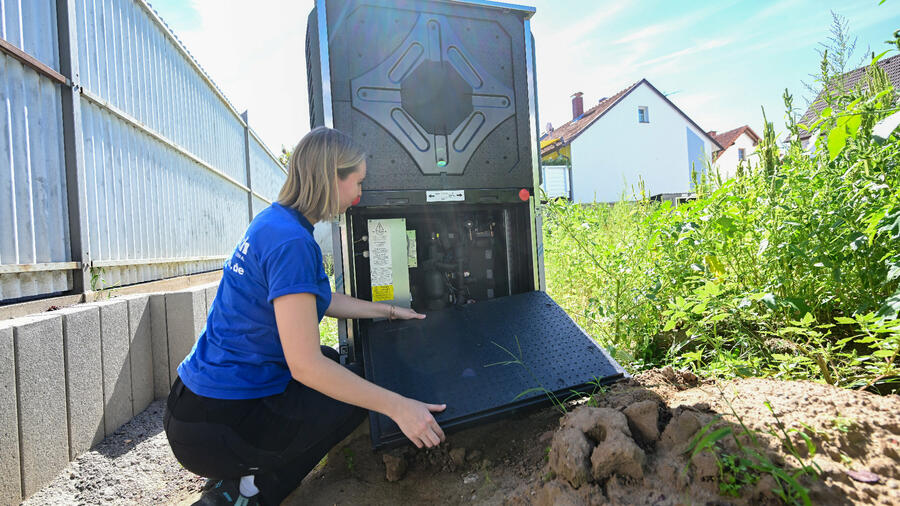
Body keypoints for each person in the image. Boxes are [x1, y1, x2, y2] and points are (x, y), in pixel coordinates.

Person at [164, 127, 446, 506]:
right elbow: (305, 367)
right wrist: (399, 406)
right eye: (357, 182)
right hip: (219, 425)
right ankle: (246, 492)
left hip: (193, 404)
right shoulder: (293, 243)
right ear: (331, 177)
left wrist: (389, 310)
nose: (359, 195)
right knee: (350, 398)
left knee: (334, 364)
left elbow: (318, 298)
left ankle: (241, 475)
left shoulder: (275, 221)